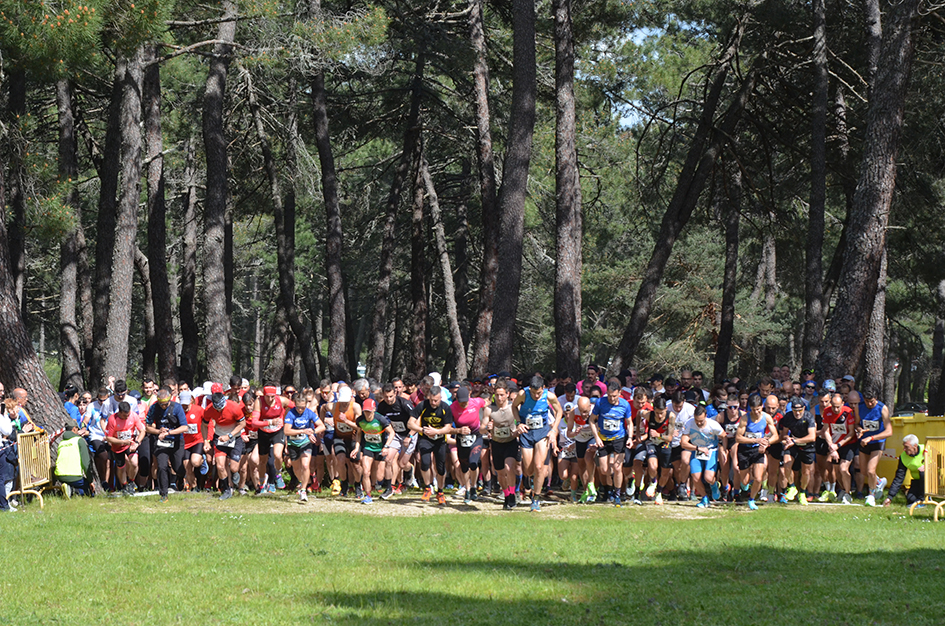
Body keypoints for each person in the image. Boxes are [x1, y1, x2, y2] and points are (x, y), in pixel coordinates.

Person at [512, 375, 563, 512]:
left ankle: (536, 499)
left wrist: (554, 430)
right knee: (529, 469)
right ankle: (528, 483)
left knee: (539, 467)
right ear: (530, 389)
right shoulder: (523, 394)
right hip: (527, 432)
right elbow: (514, 407)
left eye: (539, 393)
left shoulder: (549, 396)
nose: (536, 395)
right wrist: (518, 423)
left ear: (543, 388)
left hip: (542, 432)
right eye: (534, 393)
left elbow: (559, 411)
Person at [589, 379, 632, 507]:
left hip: (619, 438)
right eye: (609, 396)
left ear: (619, 393)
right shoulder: (600, 402)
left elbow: (629, 423)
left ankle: (617, 495)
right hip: (603, 438)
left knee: (618, 468)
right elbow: (591, 420)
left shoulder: (625, 404)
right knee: (604, 470)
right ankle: (610, 489)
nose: (612, 399)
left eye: (614, 396)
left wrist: (630, 438)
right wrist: (596, 437)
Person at [735, 394, 780, 510]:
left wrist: (766, 443)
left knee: (758, 478)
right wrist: (755, 440)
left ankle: (751, 500)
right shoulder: (745, 419)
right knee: (745, 480)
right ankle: (745, 488)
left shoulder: (767, 417)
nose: (756, 412)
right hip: (744, 450)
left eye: (758, 409)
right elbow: (738, 438)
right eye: (754, 410)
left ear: (762, 406)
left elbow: (776, 436)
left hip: (758, 450)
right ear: (750, 408)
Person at [144, 388, 189, 502]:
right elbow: (147, 427)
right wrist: (159, 431)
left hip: (176, 440)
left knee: (177, 466)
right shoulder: (154, 408)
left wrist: (169, 432)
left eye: (165, 404)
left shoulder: (177, 407)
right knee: (162, 466)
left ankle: (180, 478)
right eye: (161, 404)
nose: (163, 406)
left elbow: (184, 427)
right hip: (161, 442)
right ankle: (164, 493)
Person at [202, 391, 246, 500]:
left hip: (235, 437)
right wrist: (206, 440)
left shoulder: (234, 407)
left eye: (221, 408)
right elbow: (204, 425)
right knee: (220, 465)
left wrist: (229, 435)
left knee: (234, 468)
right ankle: (226, 490)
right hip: (219, 437)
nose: (219, 411)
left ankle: (235, 477)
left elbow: (242, 423)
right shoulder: (208, 410)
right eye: (217, 409)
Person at [284, 391, 325, 502]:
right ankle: (302, 482)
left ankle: (303, 490)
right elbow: (286, 431)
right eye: (298, 407)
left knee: (306, 465)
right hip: (293, 444)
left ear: (306, 405)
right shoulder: (291, 413)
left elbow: (322, 426)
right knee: (297, 468)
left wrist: (312, 432)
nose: (300, 410)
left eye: (302, 407)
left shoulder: (309, 413)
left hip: (305, 443)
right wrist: (303, 431)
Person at [680, 405, 725, 508]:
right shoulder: (689, 423)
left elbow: (724, 435)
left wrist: (723, 449)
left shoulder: (713, 424)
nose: (699, 423)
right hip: (697, 450)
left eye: (701, 421)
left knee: (708, 477)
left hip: (711, 450)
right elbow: (683, 443)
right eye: (697, 420)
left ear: (706, 416)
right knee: (695, 477)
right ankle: (705, 499)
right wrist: (697, 448)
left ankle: (714, 485)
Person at [251, 385, 293, 493]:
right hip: (264, 432)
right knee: (262, 461)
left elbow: (297, 408)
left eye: (272, 397)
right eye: (267, 397)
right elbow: (254, 423)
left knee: (277, 455)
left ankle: (278, 474)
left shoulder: (282, 400)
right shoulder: (259, 402)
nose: (270, 399)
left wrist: (289, 419)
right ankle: (261, 484)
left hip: (277, 431)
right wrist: (269, 422)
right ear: (264, 395)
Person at [375, 382, 415, 497]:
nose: (388, 399)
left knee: (402, 463)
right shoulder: (382, 406)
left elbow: (416, 420)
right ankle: (389, 488)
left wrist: (410, 436)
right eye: (386, 397)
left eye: (391, 396)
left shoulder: (404, 404)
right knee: (388, 459)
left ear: (395, 393)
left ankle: (409, 469)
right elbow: (379, 421)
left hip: (409, 433)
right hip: (396, 434)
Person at [450, 385, 487, 505]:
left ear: (469, 397)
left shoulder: (476, 402)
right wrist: (458, 430)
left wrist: (486, 421)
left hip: (476, 436)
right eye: (461, 402)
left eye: (465, 401)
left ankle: (474, 487)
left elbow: (487, 405)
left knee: (473, 463)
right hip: (462, 438)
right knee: (464, 466)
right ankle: (467, 489)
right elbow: (447, 427)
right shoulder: (452, 408)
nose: (463, 404)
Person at [856, 387, 893, 506]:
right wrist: (860, 430)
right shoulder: (859, 407)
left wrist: (872, 438)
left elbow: (889, 431)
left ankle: (871, 496)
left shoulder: (882, 408)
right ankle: (879, 481)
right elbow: (857, 423)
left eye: (872, 401)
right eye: (867, 401)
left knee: (871, 470)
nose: (870, 404)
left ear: (876, 398)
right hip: (864, 442)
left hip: (877, 442)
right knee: (864, 471)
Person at [818, 392, 857, 504]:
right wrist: (831, 446)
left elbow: (851, 433)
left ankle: (848, 494)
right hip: (834, 444)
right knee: (836, 471)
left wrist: (838, 445)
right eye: (833, 406)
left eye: (838, 407)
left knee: (843, 469)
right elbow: (826, 431)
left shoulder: (848, 412)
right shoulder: (827, 412)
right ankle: (843, 490)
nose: (835, 409)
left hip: (848, 443)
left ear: (843, 403)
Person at [487, 380, 520, 510]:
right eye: (497, 395)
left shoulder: (513, 407)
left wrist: (517, 430)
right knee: (500, 473)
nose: (499, 398)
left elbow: (520, 422)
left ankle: (512, 494)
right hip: (496, 444)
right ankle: (506, 495)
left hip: (510, 442)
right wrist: (487, 427)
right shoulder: (489, 409)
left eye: (502, 395)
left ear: (507, 394)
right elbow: (482, 429)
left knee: (509, 467)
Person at [353, 398, 393, 504]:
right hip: (368, 447)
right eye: (365, 411)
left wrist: (386, 446)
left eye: (369, 411)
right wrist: (357, 448)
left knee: (379, 477)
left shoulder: (381, 419)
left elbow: (392, 432)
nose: (367, 414)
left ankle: (387, 487)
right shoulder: (360, 420)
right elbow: (359, 433)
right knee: (366, 472)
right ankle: (368, 496)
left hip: (380, 448)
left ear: (374, 409)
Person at [778, 397, 817, 506]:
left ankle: (803, 492)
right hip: (793, 444)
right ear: (792, 409)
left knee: (806, 472)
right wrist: (787, 438)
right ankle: (792, 487)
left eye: (800, 410)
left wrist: (794, 441)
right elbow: (784, 434)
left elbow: (812, 437)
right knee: (786, 464)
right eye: (795, 410)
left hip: (807, 445)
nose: (798, 413)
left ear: (804, 408)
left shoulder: (809, 417)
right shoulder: (788, 417)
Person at [104, 401, 146, 497]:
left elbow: (142, 431)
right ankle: (124, 485)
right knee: (121, 467)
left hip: (130, 444)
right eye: (124, 416)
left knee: (134, 463)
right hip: (117, 446)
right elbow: (108, 438)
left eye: (128, 415)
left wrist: (137, 442)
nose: (126, 417)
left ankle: (131, 482)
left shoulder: (133, 416)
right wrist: (122, 442)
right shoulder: (112, 419)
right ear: (119, 412)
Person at [883, 434, 926, 506]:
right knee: (910, 499)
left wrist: (927, 466)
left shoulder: (926, 449)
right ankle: (922, 497)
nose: (904, 449)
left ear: (915, 446)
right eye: (904, 446)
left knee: (923, 472)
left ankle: (923, 499)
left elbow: (939, 463)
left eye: (906, 447)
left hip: (930, 481)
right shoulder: (903, 457)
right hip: (917, 481)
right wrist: (890, 497)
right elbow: (899, 478)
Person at [55, 417, 93, 497]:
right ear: (74, 429)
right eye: (77, 429)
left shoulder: (61, 443)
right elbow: (86, 463)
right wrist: (90, 480)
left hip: (60, 475)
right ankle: (72, 491)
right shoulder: (79, 441)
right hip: (75, 476)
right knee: (89, 491)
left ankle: (67, 489)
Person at [179, 391, 208, 492]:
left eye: (186, 404)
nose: (184, 406)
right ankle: (194, 487)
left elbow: (208, 423)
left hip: (197, 440)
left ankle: (202, 460)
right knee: (187, 466)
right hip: (185, 442)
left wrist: (207, 439)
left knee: (195, 462)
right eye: (182, 404)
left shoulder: (199, 410)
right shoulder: (178, 412)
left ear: (191, 400)